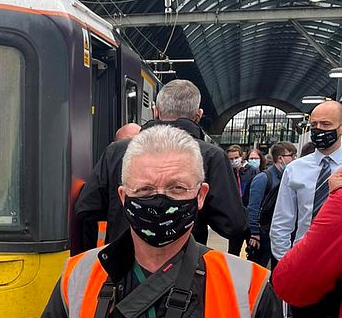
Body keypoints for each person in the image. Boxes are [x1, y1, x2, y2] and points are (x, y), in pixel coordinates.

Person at [33, 126, 290, 318]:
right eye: (145, 189)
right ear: (124, 197)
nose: (159, 201)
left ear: (200, 195)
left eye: (176, 188)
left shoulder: (249, 287)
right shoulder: (78, 277)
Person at [75, 80, 245, 251]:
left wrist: (124, 215)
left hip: (120, 263)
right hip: (184, 266)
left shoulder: (116, 151)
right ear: (198, 115)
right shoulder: (211, 156)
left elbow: (86, 208)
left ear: (155, 111)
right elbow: (234, 224)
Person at [271, 100, 342, 318]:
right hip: (306, 267)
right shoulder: (296, 169)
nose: (320, 130)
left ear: (341, 127)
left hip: (338, 269)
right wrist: (286, 261)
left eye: (326, 124)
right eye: (314, 125)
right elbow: (282, 221)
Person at [246, 142, 296, 268]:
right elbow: (253, 207)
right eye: (292, 156)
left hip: (280, 233)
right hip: (264, 234)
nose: (295, 159)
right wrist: (255, 233)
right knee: (260, 268)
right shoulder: (263, 178)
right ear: (280, 158)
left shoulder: (289, 177)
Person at [225, 144, 257, 255]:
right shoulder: (227, 173)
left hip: (249, 217)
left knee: (252, 251)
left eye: (236, 158)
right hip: (236, 219)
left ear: (241, 157)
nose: (234, 161)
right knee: (233, 252)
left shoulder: (252, 172)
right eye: (231, 159)